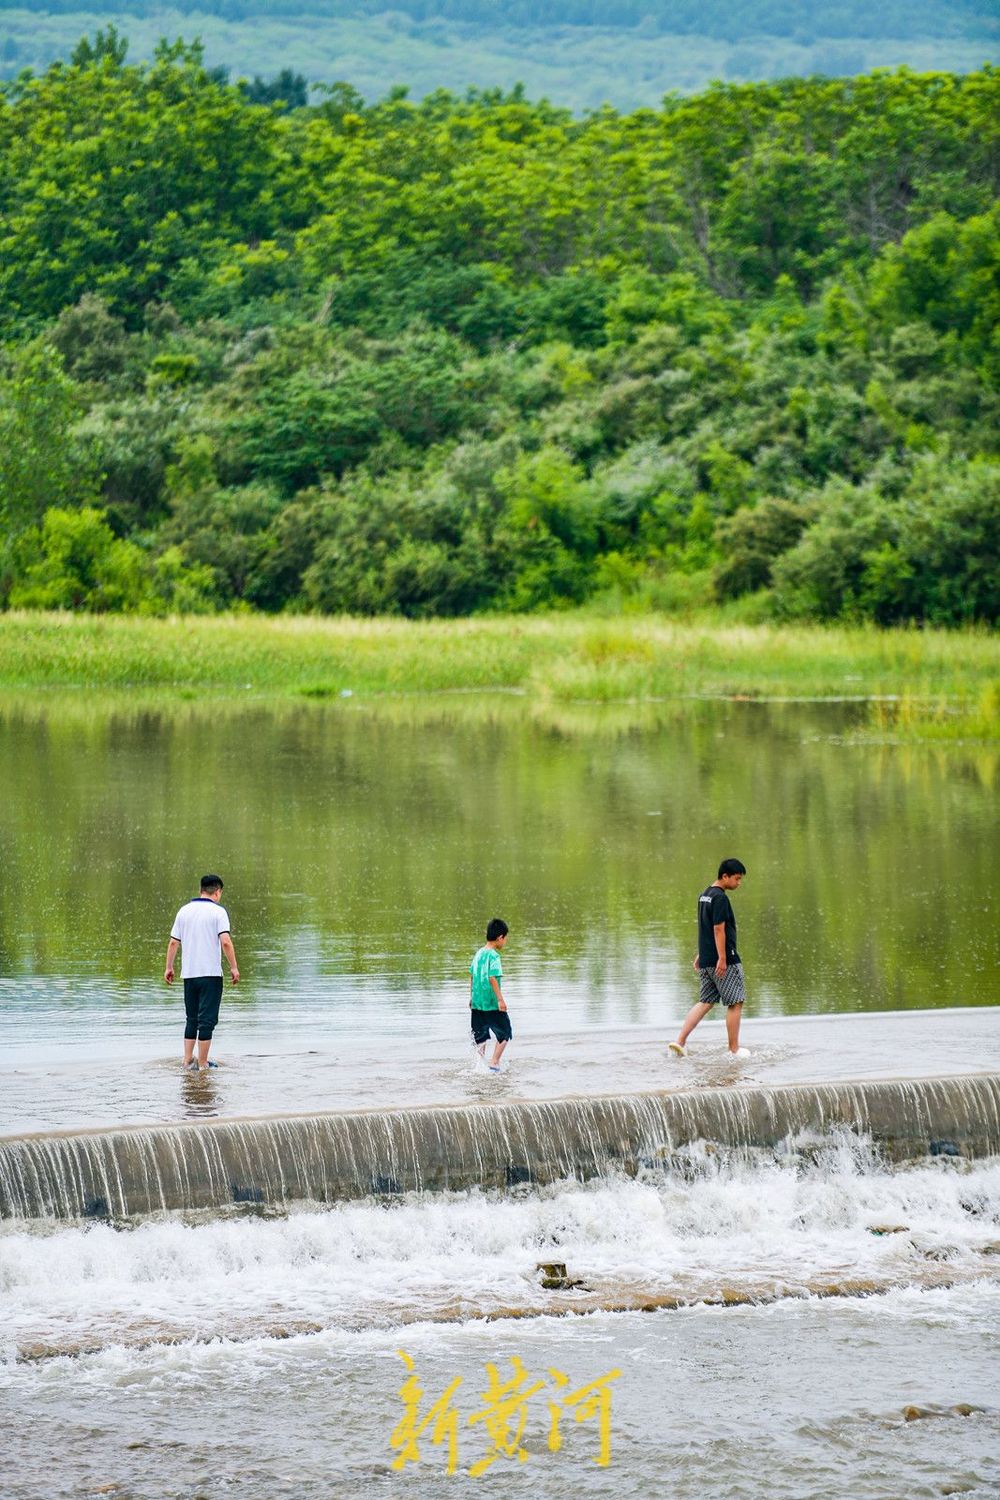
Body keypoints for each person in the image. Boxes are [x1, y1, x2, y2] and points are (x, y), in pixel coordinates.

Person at [668, 858, 749, 1058]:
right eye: (737, 879)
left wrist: (702, 954)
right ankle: (734, 1049)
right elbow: (718, 929)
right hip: (725, 960)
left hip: (706, 960)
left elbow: (703, 927)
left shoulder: (705, 895)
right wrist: (722, 958)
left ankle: (679, 1042)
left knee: (705, 1001)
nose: (739, 883)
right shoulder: (720, 898)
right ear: (725, 876)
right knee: (735, 1002)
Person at [164, 874, 239, 1071]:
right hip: (210, 975)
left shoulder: (184, 911)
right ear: (218, 892)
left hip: (189, 975)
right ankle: (203, 1063)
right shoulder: (218, 912)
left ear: (201, 890)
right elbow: (225, 941)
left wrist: (169, 967)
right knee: (207, 1020)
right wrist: (233, 967)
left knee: (192, 1018)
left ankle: (187, 1060)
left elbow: (173, 942)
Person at [469, 918, 511, 1072]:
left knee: (480, 1036)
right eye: (505, 938)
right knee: (505, 1033)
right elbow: (492, 977)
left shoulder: (478, 953)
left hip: (477, 1003)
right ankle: (494, 1063)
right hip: (491, 1003)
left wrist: (471, 997)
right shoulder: (494, 956)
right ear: (500, 937)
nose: (505, 942)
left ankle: (478, 1067)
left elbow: (472, 975)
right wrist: (500, 1000)